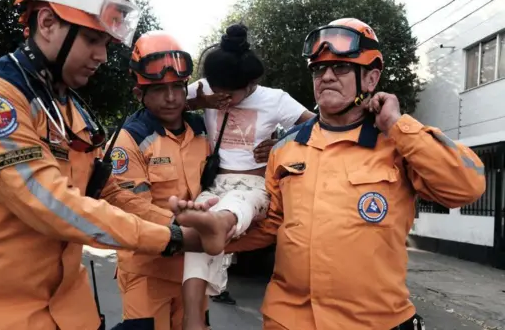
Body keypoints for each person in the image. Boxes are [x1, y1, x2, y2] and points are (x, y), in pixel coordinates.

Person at [0, 0, 224, 329]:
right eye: (92, 39)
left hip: (64, 310)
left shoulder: (70, 110)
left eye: (106, 44)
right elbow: (51, 203)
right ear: (48, 22)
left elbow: (109, 192)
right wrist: (173, 238)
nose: (101, 56)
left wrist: (177, 221)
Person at [179, 17, 486, 330]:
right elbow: (272, 224)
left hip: (375, 322)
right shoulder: (286, 150)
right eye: (318, 69)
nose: (326, 76)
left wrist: (397, 124)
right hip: (287, 320)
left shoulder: (397, 143)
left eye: (339, 68)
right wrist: (199, 237)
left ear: (370, 79)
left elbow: (465, 187)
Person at [181, 24, 315, 329]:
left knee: (237, 204)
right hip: (215, 184)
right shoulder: (204, 88)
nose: (222, 96)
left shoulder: (275, 99)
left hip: (255, 185)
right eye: (217, 91)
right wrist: (200, 103)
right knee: (197, 237)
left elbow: (316, 125)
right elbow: (167, 102)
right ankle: (193, 322)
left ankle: (221, 223)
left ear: (252, 83)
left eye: (230, 93)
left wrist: (282, 143)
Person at [107, 30, 213, 330]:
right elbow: (132, 208)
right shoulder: (129, 140)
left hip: (194, 269)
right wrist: (191, 231)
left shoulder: (203, 131)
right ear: (139, 93)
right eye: (158, 89)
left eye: (178, 87)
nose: (171, 97)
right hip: (146, 270)